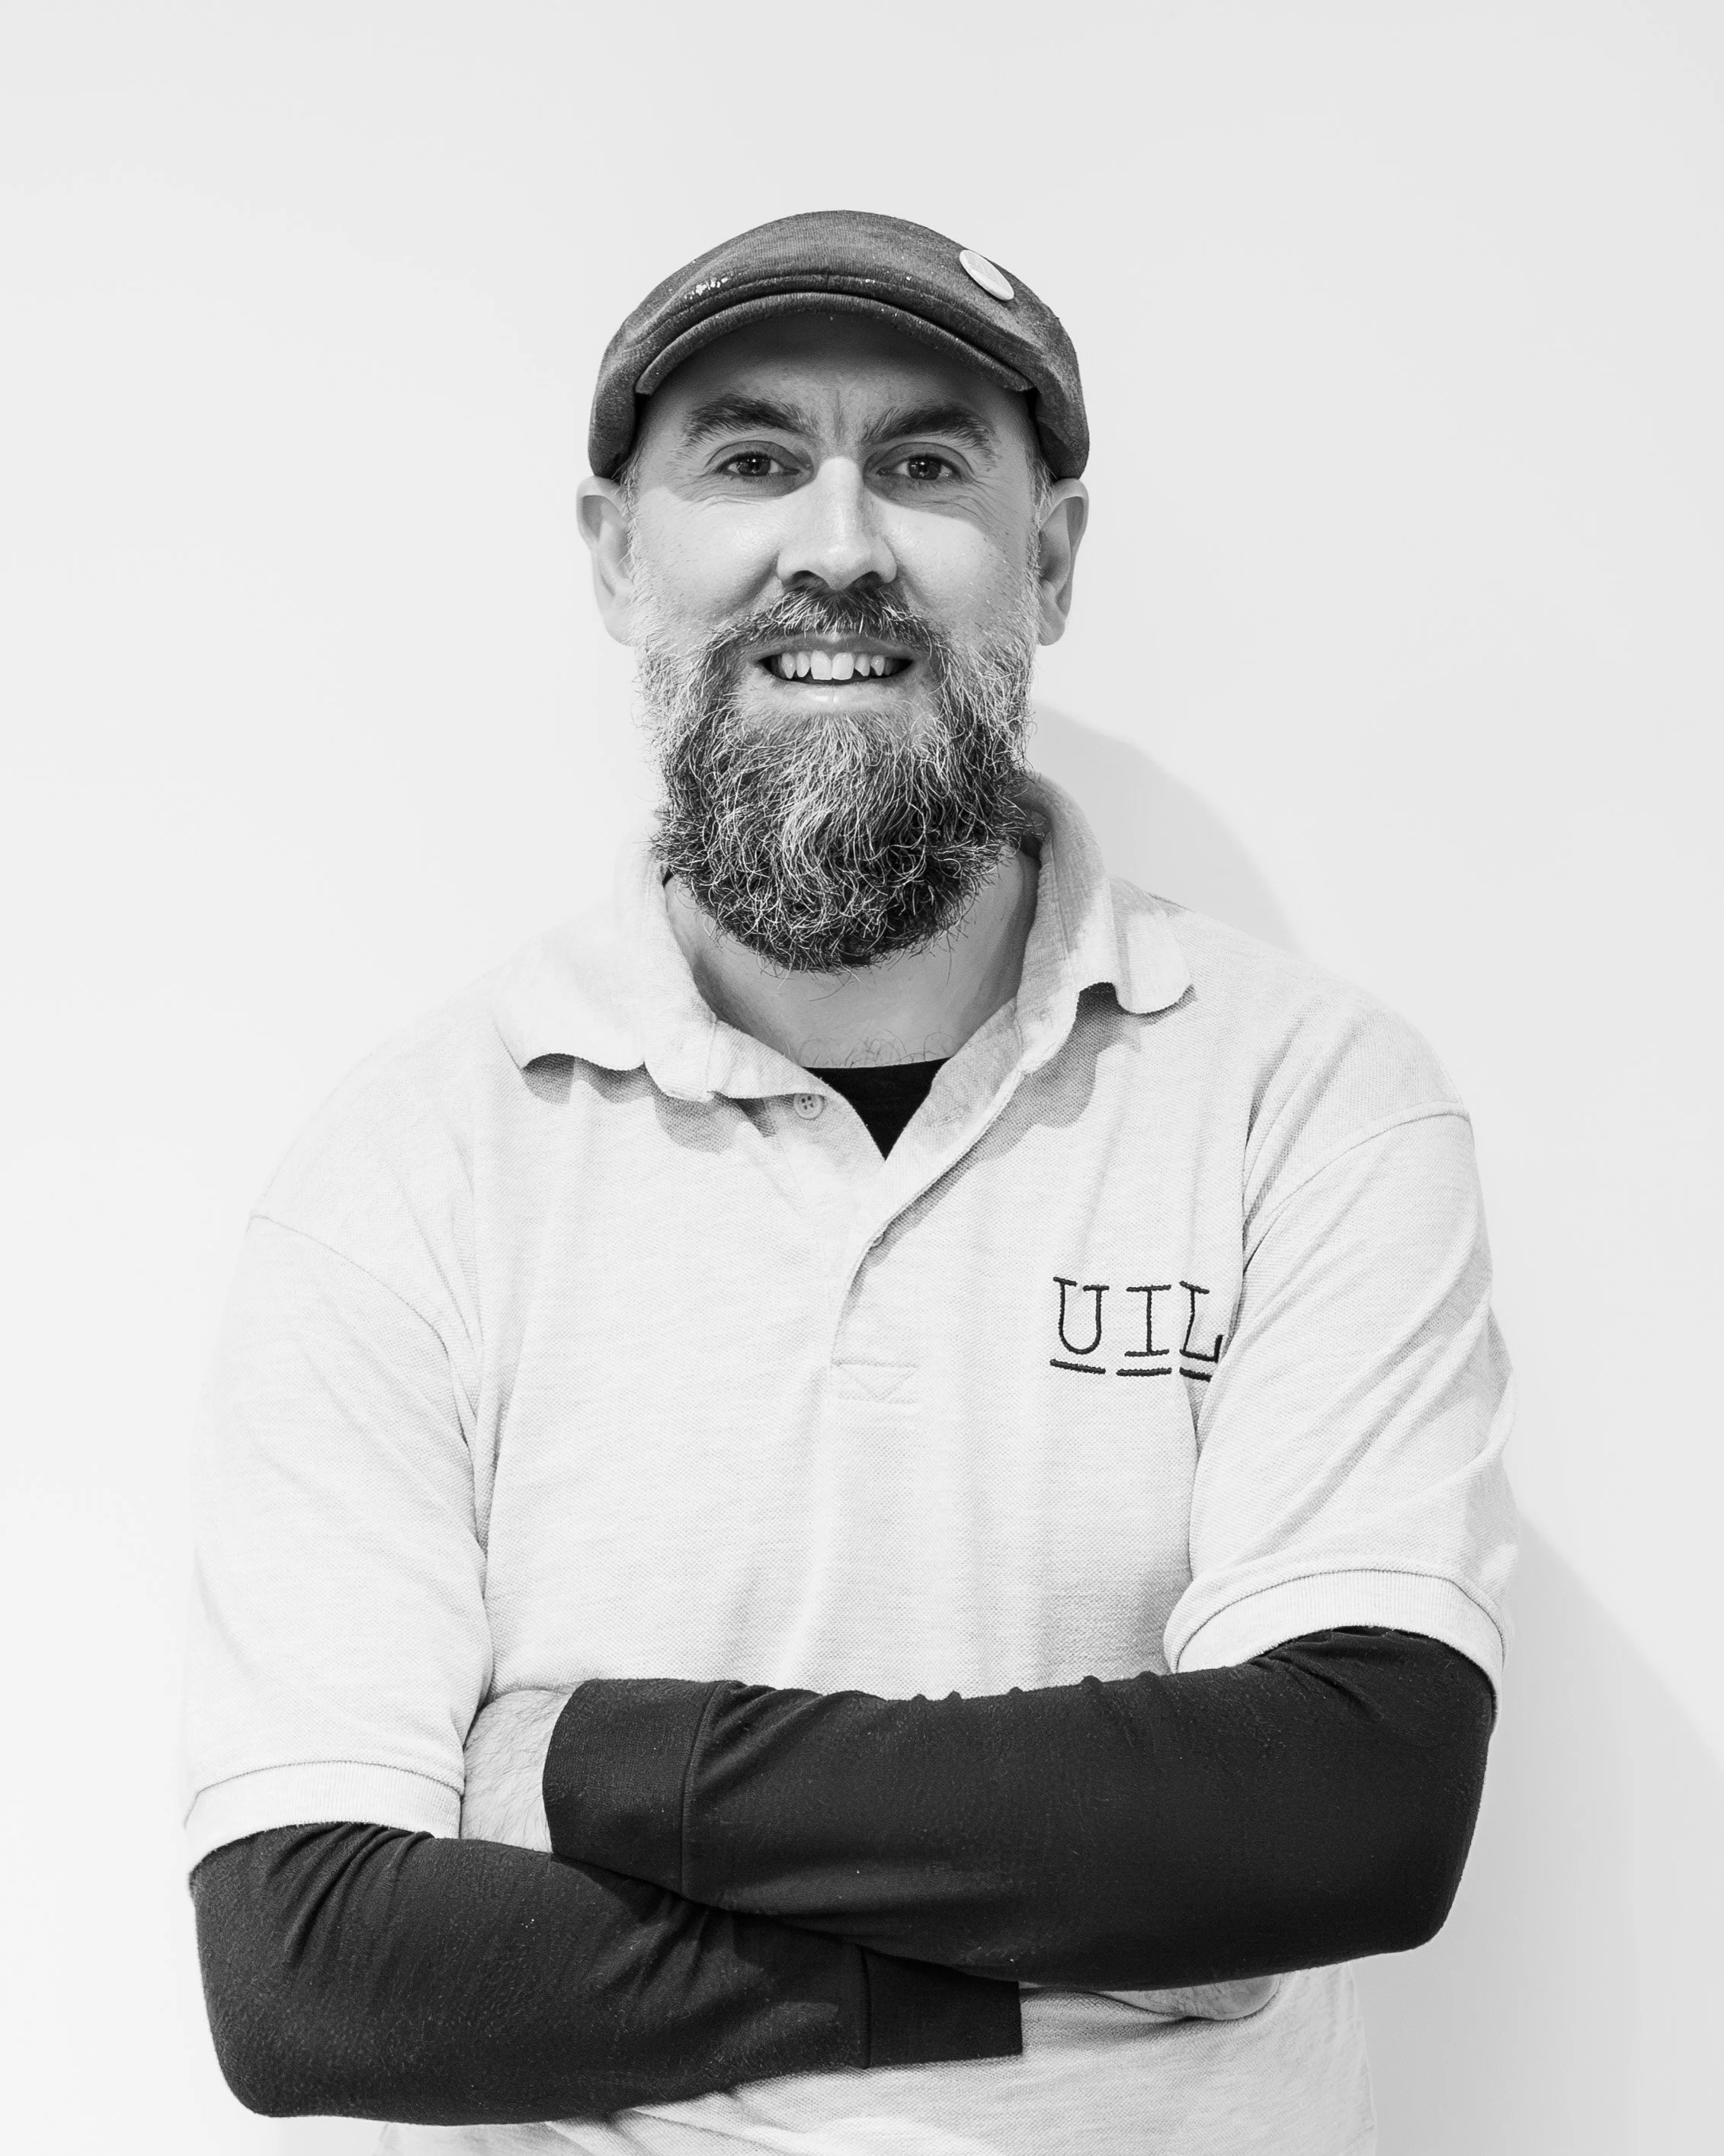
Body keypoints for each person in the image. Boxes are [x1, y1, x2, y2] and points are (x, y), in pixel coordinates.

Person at [183, 210, 1517, 2156]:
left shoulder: (1306, 1104)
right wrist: (1080, 1932)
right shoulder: (409, 1169)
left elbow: (1346, 1812)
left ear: (1047, 559)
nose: (839, 542)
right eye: (747, 459)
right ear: (618, 554)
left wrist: (594, 1760)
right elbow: (323, 1978)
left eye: (924, 462)